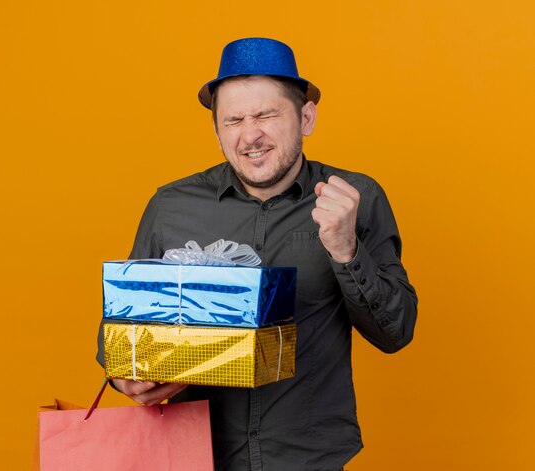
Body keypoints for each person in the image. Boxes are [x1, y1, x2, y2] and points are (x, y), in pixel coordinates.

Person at [97, 37, 418, 471]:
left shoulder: (356, 198)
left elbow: (395, 333)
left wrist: (346, 249)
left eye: (267, 115)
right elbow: (120, 328)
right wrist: (126, 376)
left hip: (309, 458)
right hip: (195, 455)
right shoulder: (171, 206)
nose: (250, 135)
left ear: (306, 117)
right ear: (216, 130)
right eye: (233, 120)